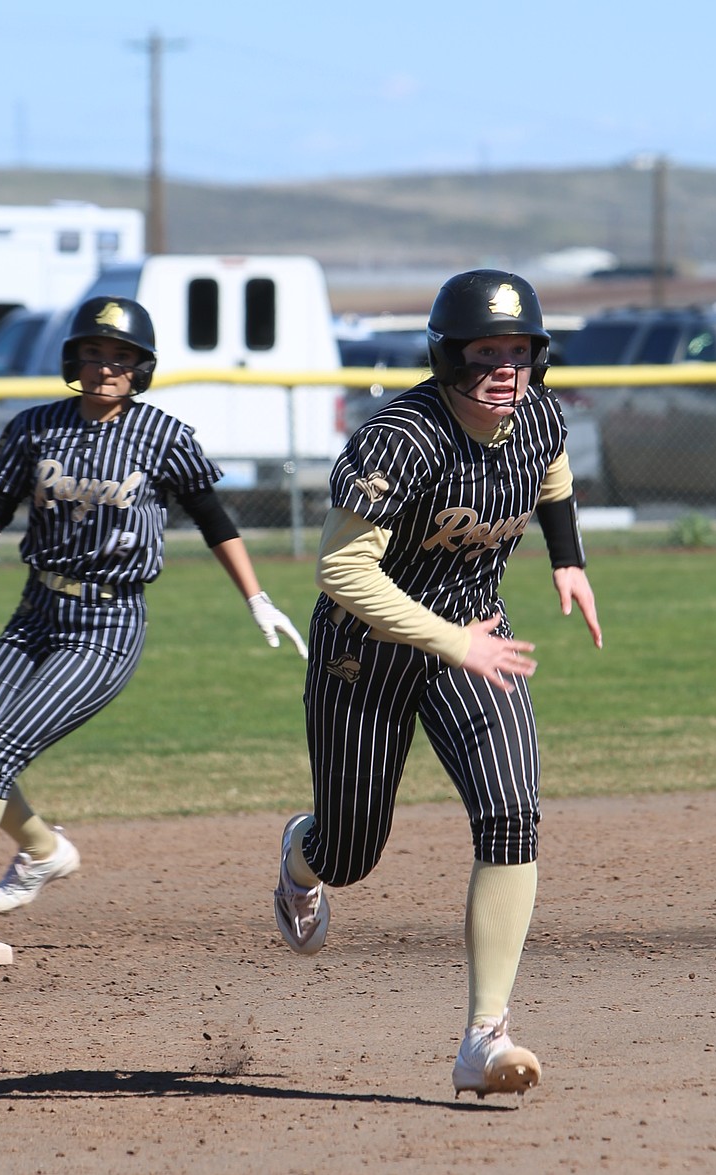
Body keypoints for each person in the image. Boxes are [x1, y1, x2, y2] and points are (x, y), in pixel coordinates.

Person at [0, 296, 307, 945]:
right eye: (95, 354)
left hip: (107, 625)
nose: (107, 367)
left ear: (141, 368)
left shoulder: (163, 436)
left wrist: (256, 596)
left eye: (122, 357)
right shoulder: (37, 425)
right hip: (35, 611)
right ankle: (44, 850)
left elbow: (215, 520)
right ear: (74, 359)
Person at [272, 270, 602, 1100]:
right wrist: (450, 640)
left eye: (520, 350)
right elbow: (343, 571)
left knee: (511, 811)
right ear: (449, 355)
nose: (506, 367)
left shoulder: (537, 415)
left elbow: (552, 470)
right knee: (352, 852)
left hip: (476, 640)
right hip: (366, 650)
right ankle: (302, 858)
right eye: (487, 351)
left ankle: (484, 1036)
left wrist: (568, 559)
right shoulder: (402, 437)